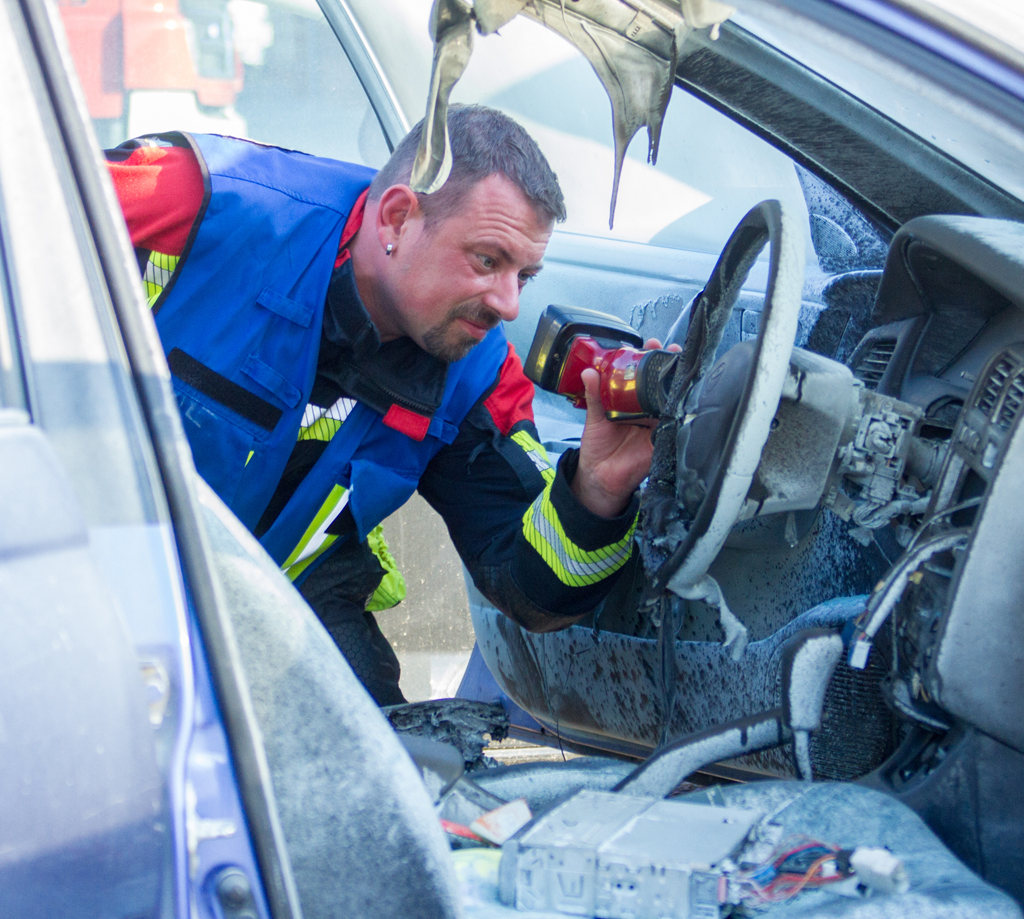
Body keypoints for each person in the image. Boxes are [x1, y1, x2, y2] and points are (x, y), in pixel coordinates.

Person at [106, 105, 655, 705]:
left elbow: (531, 588)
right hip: (77, 576)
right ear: (396, 217)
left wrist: (598, 487)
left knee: (392, 770)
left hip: (274, 608)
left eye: (523, 276)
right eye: (488, 260)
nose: (508, 305)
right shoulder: (193, 199)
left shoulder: (479, 373)